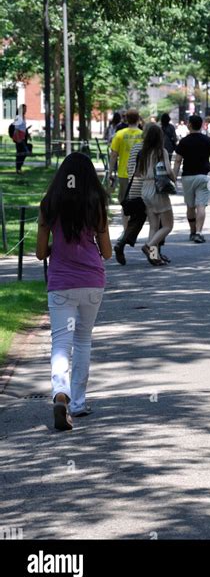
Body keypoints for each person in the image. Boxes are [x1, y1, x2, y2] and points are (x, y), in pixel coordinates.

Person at [36, 152, 112, 431]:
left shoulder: (49, 205)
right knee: (83, 340)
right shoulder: (96, 204)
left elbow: (40, 252)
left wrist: (58, 247)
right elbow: (106, 251)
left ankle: (60, 395)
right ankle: (78, 403)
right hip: (92, 281)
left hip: (60, 283)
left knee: (60, 343)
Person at [174, 114, 210, 244]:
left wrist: (174, 177)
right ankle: (199, 232)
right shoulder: (207, 140)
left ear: (189, 125)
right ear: (201, 125)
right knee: (201, 206)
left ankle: (192, 231)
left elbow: (177, 161)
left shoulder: (184, 141)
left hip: (187, 176)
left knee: (190, 206)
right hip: (203, 176)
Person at [136, 123, 176, 266]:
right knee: (168, 225)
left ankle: (154, 257)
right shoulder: (161, 151)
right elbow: (169, 170)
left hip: (145, 189)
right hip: (157, 189)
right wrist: (174, 180)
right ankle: (149, 246)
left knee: (154, 226)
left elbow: (138, 173)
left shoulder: (143, 152)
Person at [109, 109, 143, 226]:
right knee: (138, 202)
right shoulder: (143, 135)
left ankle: (126, 230)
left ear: (126, 119)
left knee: (125, 203)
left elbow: (113, 155)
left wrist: (110, 172)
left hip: (124, 173)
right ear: (138, 119)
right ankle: (134, 229)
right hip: (140, 174)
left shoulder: (119, 134)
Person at [12, 104, 29, 174]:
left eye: (26, 109)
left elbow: (23, 128)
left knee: (23, 153)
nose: (25, 110)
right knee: (20, 153)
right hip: (19, 138)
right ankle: (18, 168)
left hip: (23, 137)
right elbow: (16, 129)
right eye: (24, 109)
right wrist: (18, 139)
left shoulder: (23, 117)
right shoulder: (18, 117)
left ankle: (19, 168)